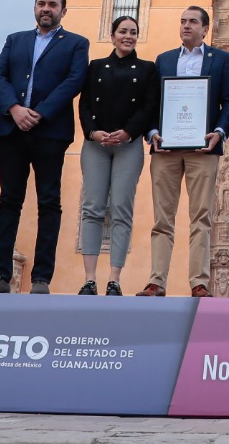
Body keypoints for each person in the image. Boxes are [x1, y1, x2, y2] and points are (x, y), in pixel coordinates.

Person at [0, 0, 90, 294]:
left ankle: (41, 278)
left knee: (49, 203)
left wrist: (39, 113)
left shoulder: (77, 44)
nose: (46, 8)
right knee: (9, 201)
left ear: (63, 11)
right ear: (34, 8)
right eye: (41, 3)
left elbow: (74, 81)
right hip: (12, 130)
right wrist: (14, 109)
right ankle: (0, 276)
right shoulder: (16, 40)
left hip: (49, 133)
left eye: (52, 5)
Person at [142, 5, 229, 297]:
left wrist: (218, 133)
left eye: (193, 22)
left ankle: (199, 282)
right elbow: (151, 101)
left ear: (205, 29)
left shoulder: (221, 60)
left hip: (202, 150)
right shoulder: (164, 60)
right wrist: (153, 132)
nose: (186, 26)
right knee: (162, 219)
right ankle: (157, 281)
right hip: (165, 150)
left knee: (202, 218)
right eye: (182, 21)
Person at [76, 15, 159, 296]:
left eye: (133, 32)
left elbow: (149, 107)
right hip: (96, 143)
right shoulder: (96, 67)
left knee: (122, 209)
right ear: (112, 36)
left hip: (128, 145)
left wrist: (127, 132)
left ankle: (114, 278)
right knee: (92, 208)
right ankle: (89, 278)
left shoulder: (148, 69)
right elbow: (85, 104)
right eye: (123, 31)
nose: (128, 36)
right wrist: (92, 132)